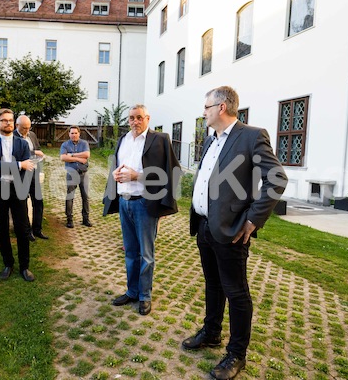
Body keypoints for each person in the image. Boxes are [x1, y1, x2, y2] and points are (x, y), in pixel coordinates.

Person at [182, 86, 288, 380]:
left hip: (232, 230)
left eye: (206, 107)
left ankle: (236, 354)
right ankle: (212, 332)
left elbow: (277, 179)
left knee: (236, 292)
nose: (203, 112)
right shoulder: (210, 140)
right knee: (213, 285)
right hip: (204, 224)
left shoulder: (252, 136)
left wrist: (253, 220)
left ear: (223, 107)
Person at [103, 104, 180, 316]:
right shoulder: (123, 140)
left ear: (147, 118)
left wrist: (138, 176)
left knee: (146, 254)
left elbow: (171, 172)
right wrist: (116, 175)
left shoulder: (160, 139)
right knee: (130, 252)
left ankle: (145, 296)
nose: (135, 122)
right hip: (124, 201)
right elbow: (117, 167)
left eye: (139, 117)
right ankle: (132, 291)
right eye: (131, 118)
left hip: (145, 204)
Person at [0, 108, 36, 282]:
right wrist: (18, 164)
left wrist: (4, 164)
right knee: (2, 229)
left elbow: (27, 166)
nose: (8, 123)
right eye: (4, 120)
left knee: (22, 230)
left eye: (10, 120)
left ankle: (24, 267)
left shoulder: (22, 144)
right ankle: (8, 264)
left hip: (17, 189)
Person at [15, 115, 48, 240]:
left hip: (33, 171)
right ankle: (27, 231)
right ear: (17, 126)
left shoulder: (32, 135)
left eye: (29, 128)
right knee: (23, 204)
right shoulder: (12, 137)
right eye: (24, 128)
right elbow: (16, 153)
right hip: (20, 174)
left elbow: (38, 149)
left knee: (38, 201)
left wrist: (39, 156)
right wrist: (34, 153)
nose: (27, 131)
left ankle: (37, 229)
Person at [60, 126, 92, 228]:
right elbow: (63, 157)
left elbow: (87, 154)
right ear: (69, 134)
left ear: (79, 133)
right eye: (72, 133)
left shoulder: (84, 143)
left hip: (83, 173)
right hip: (71, 173)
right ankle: (69, 219)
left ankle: (85, 219)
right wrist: (79, 159)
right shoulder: (65, 144)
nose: (74, 135)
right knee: (70, 196)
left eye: (75, 133)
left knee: (85, 197)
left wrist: (72, 155)